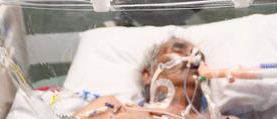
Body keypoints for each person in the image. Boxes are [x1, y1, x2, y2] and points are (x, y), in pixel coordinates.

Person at [72, 37, 223, 119]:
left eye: (198, 55)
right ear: (148, 75)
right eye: (178, 48)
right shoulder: (110, 109)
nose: (191, 56)